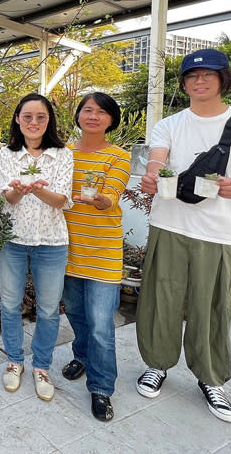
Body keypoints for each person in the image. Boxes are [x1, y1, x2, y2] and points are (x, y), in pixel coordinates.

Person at [136, 49, 231, 423]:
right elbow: (158, 158)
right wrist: (153, 175)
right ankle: (157, 364)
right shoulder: (170, 124)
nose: (200, 81)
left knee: (212, 306)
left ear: (222, 79)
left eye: (209, 75)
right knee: (160, 299)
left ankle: (211, 379)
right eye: (192, 76)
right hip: (170, 225)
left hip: (220, 232)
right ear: (183, 83)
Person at [0, 93, 73, 402]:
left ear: (49, 120)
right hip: (12, 241)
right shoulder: (7, 154)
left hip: (52, 241)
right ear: (17, 119)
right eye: (27, 116)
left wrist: (38, 191)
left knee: (48, 309)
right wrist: (17, 191)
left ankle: (41, 366)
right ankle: (14, 361)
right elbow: (7, 199)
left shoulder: (63, 154)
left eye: (40, 117)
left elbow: (62, 201)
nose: (33, 122)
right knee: (10, 305)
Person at [61, 92, 131, 421]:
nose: (94, 116)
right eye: (88, 110)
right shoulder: (63, 153)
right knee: (76, 314)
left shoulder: (118, 156)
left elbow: (111, 196)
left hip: (102, 251)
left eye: (101, 112)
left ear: (110, 120)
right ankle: (83, 356)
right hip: (65, 249)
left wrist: (102, 200)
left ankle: (101, 387)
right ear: (78, 116)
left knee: (102, 324)